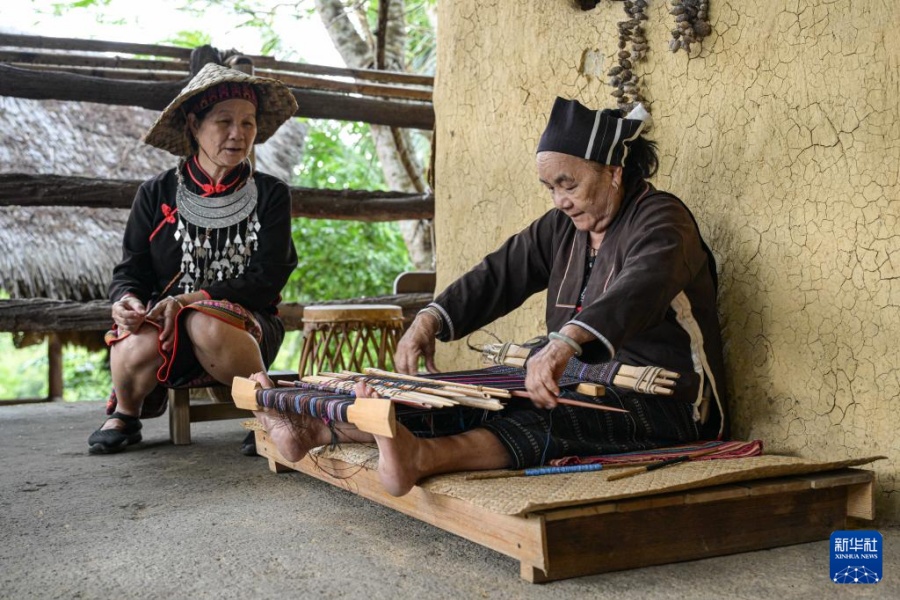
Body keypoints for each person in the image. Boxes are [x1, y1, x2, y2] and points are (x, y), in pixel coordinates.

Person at [253, 97, 727, 496]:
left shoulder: (664, 221)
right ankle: (315, 428)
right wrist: (429, 322)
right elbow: (500, 273)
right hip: (573, 380)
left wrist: (564, 343)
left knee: (552, 419)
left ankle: (420, 457)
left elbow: (638, 288)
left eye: (569, 184)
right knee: (475, 397)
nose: (560, 199)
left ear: (614, 172)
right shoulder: (562, 228)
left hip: (665, 401)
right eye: (550, 187)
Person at [88, 63, 299, 454]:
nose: (238, 134)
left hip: (243, 332)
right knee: (135, 340)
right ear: (194, 124)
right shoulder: (156, 193)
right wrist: (127, 302)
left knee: (205, 322)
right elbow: (130, 269)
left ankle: (267, 413)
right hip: (165, 327)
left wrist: (189, 301)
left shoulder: (271, 194)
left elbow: (268, 277)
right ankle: (127, 412)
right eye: (224, 121)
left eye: (248, 123)